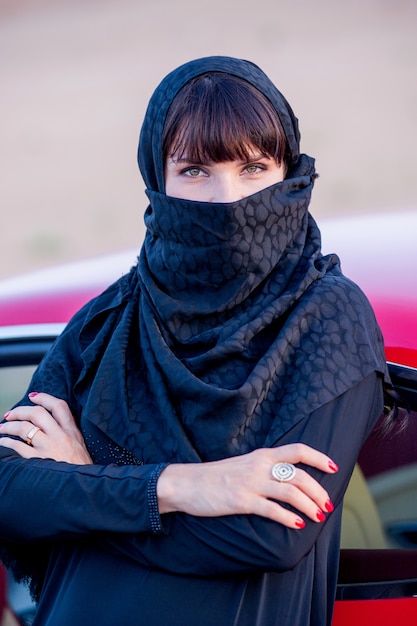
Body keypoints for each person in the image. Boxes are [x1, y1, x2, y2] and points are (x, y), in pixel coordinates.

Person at [0, 56, 390, 626]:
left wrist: (85, 484)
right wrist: (184, 486)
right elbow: (10, 488)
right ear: (156, 180)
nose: (226, 200)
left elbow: (268, 536)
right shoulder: (110, 321)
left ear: (290, 172)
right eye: (195, 171)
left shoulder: (329, 318)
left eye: (254, 167)